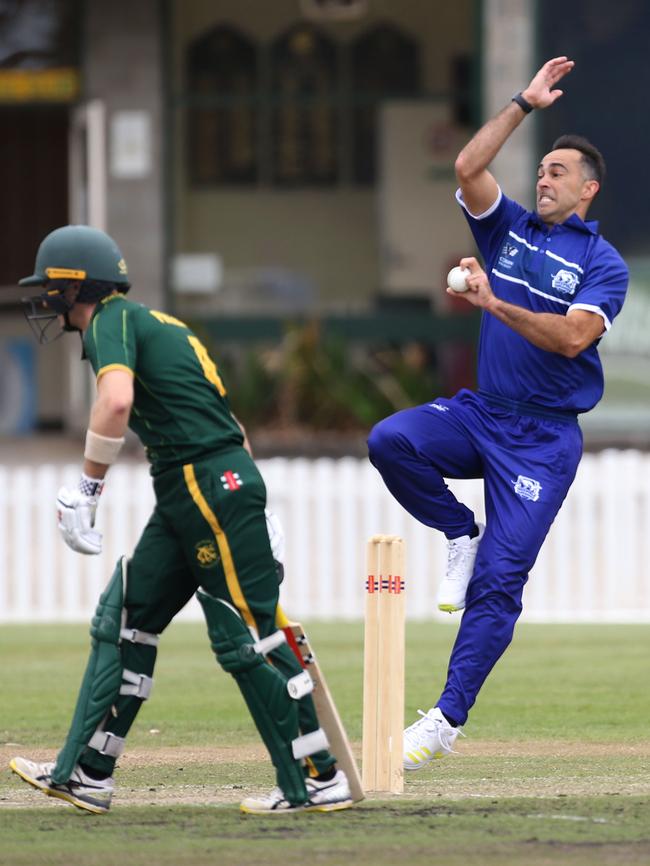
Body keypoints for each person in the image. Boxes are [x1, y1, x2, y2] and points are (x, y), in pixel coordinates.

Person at [9, 224, 353, 814]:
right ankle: (88, 772)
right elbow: (230, 422)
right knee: (127, 619)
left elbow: (115, 400)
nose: (46, 300)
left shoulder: (110, 319)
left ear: (77, 287)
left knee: (248, 632)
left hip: (203, 484)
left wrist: (89, 486)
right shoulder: (161, 323)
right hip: (195, 484)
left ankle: (319, 776)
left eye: (53, 288)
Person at [367, 56, 628, 769]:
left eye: (558, 171)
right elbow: (467, 166)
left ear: (588, 188)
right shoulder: (506, 229)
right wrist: (523, 103)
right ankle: (459, 531)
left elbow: (574, 338)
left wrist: (493, 304)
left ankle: (444, 722)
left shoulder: (604, 265)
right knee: (392, 440)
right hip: (483, 413)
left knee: (500, 584)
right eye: (540, 168)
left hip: (543, 442)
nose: (543, 177)